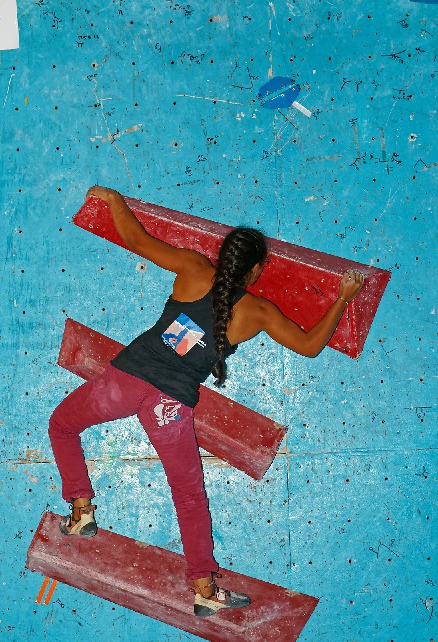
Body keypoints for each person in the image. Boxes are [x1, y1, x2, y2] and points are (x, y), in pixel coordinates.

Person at [48, 186, 364, 618]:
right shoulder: (258, 312)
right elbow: (309, 346)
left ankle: (81, 510)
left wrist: (114, 199)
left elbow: (136, 239)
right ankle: (203, 590)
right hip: (170, 405)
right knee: (189, 497)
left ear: (222, 255)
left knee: (62, 425)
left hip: (127, 378)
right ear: (255, 270)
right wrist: (343, 297)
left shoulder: (194, 268)